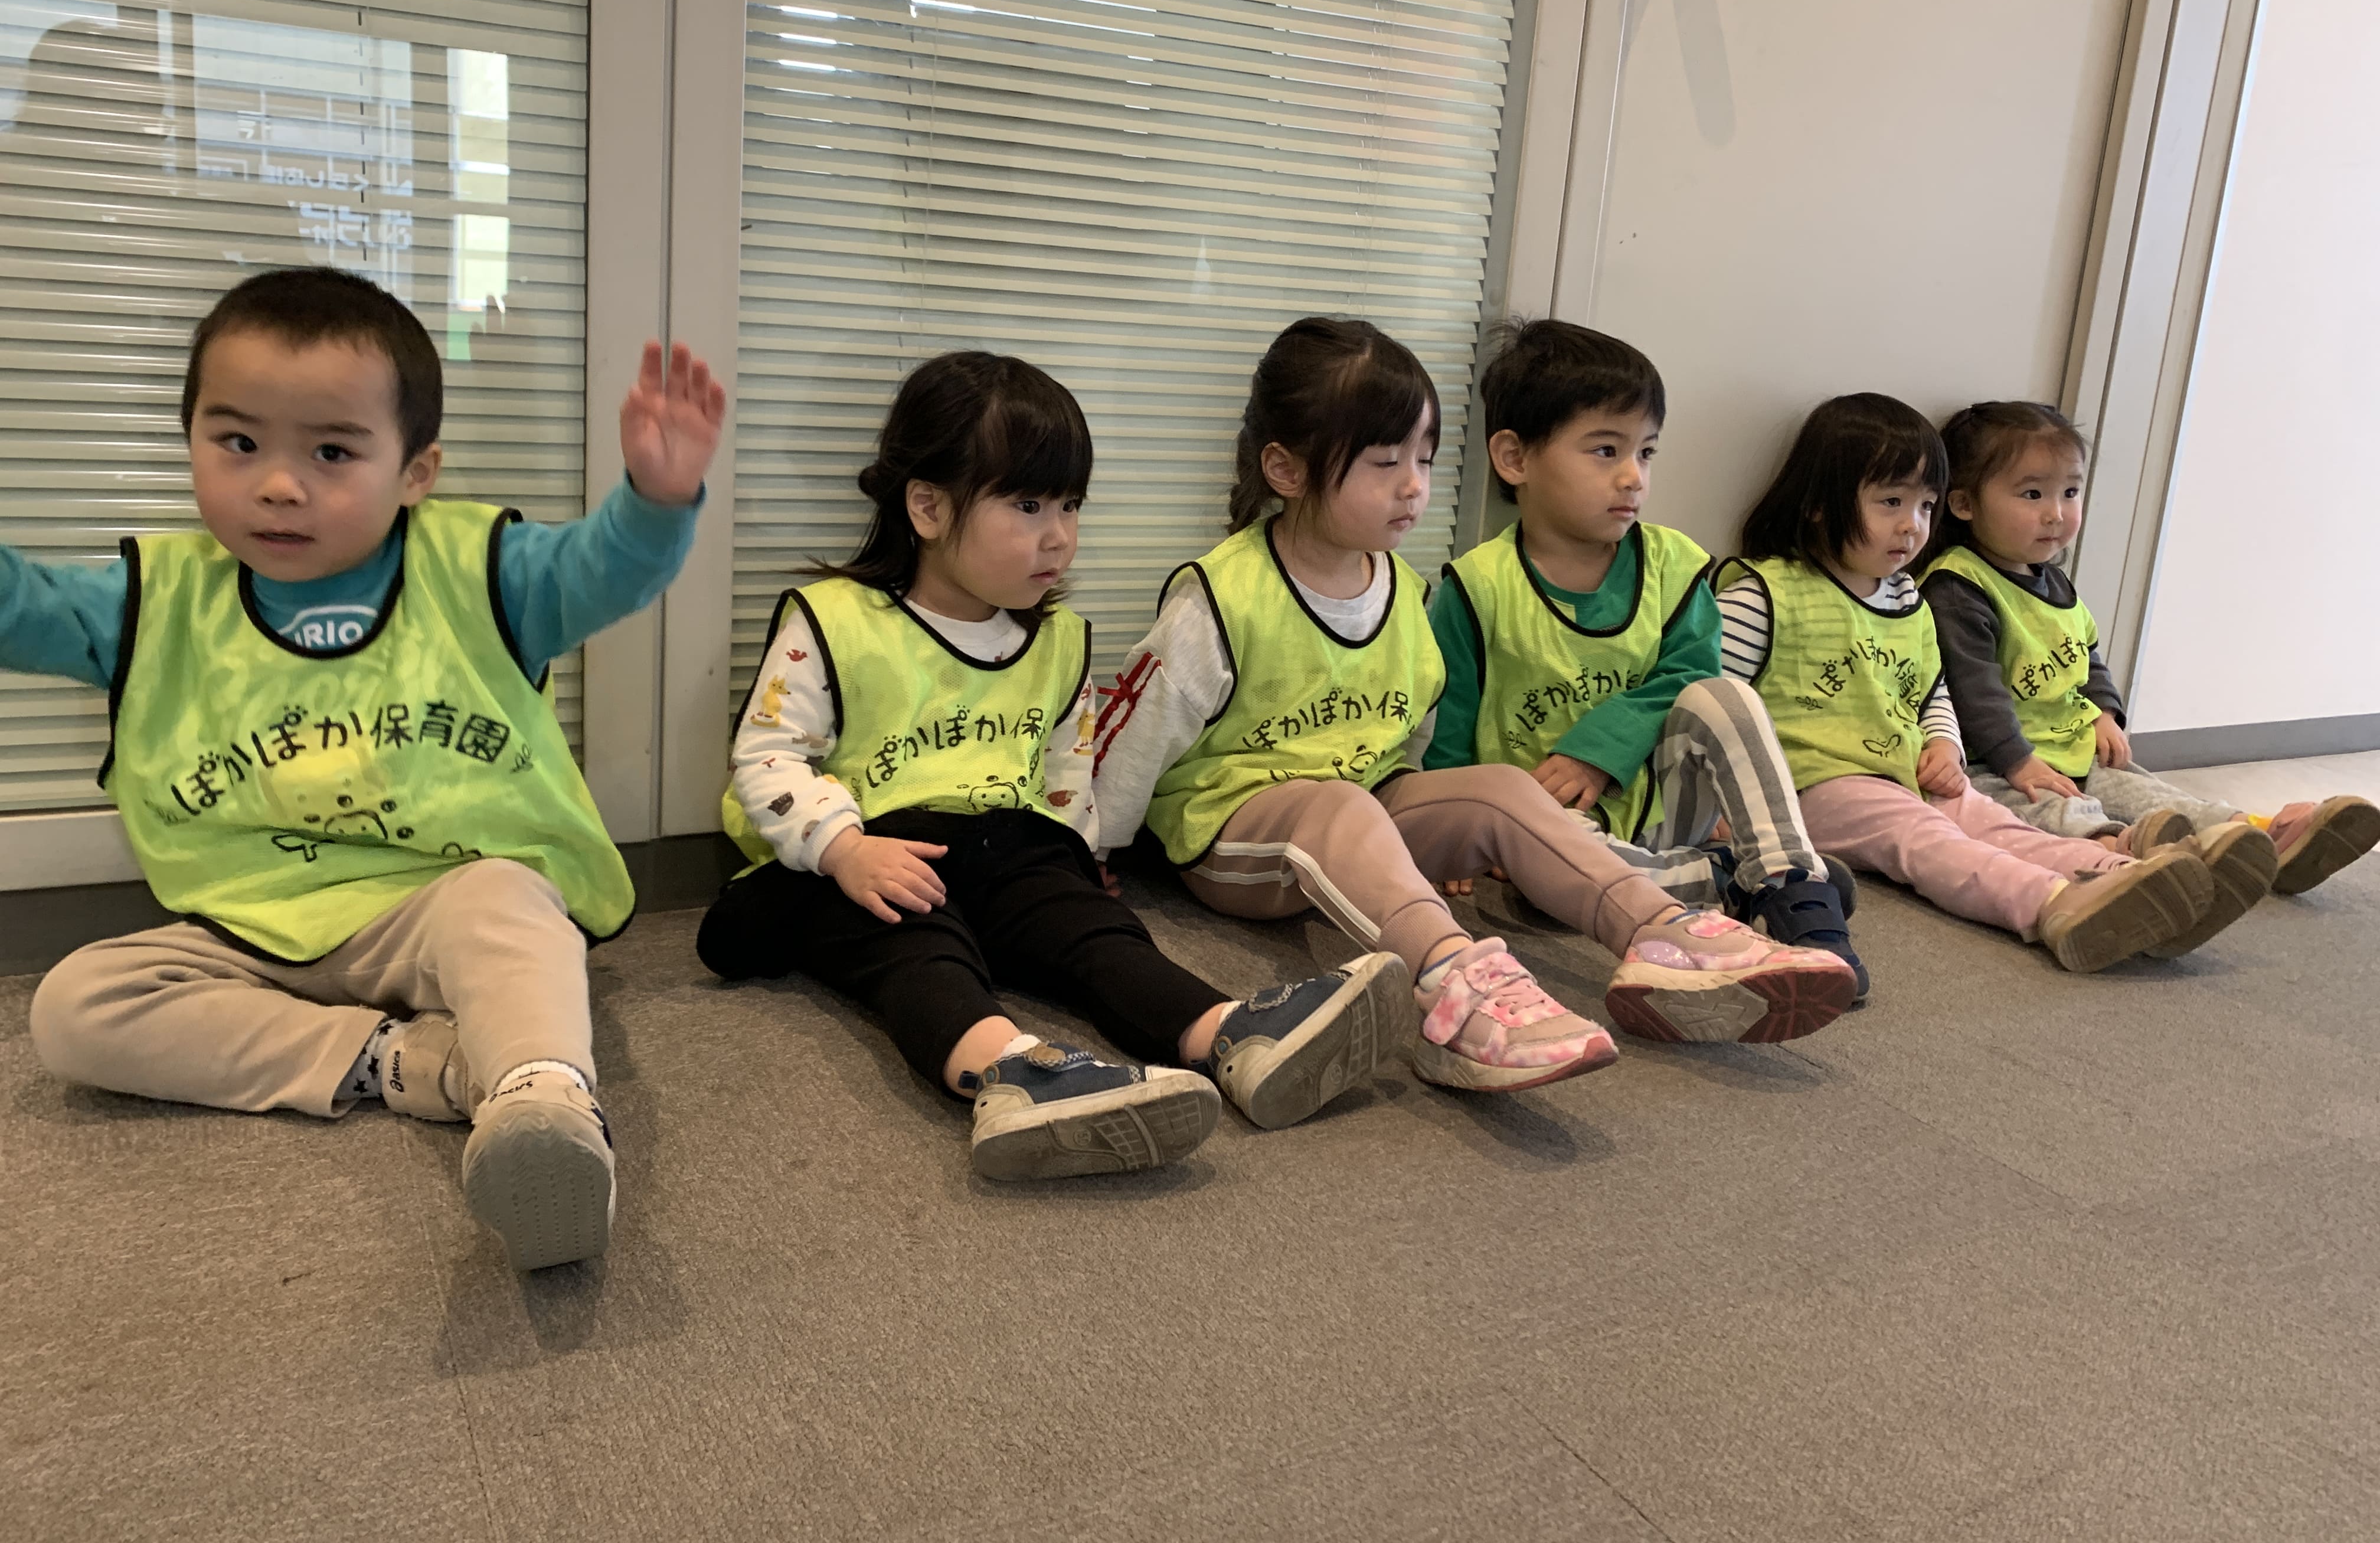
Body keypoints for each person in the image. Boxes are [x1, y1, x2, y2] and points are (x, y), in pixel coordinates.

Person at [18, 266, 724, 1270]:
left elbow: (601, 570)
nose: (278, 483)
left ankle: (543, 1097)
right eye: (238, 442)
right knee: (76, 1006)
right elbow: (21, 608)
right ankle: (419, 1064)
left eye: (332, 451)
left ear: (416, 471)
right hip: (254, 926)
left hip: (438, 901)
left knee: (509, 902)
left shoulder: (480, 569)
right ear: (190, 441)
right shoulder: (151, 599)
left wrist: (656, 501)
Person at [696, 351, 1410, 1181]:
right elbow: (770, 754)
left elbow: (1066, 768)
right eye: (1028, 505)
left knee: (1094, 934)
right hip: (867, 857)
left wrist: (1081, 856)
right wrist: (843, 848)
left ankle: (1228, 1034)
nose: (1060, 535)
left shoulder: (1058, 639)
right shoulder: (834, 620)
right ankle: (1012, 1073)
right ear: (928, 507)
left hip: (1005, 849)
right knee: (918, 949)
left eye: (1071, 505)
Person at [1095, 316, 1845, 1091]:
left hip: (1364, 805)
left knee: (1501, 788)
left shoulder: (1402, 586)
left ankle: (1663, 932)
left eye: (1424, 459)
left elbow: (1417, 727)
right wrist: (1095, 847)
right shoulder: (1221, 596)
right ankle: (1455, 986)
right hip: (1234, 838)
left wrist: (1440, 827)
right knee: (1337, 804)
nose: (1413, 486)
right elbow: (1137, 729)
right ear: (1286, 469)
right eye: (1385, 462)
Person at [1424, 318, 1862, 1027]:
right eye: (1606, 450)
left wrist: (1595, 751)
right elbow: (1451, 728)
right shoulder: (1475, 588)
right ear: (1514, 458)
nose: (1634, 476)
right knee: (1542, 888)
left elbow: (1689, 675)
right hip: (1557, 833)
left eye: (1646, 451)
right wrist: (1459, 837)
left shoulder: (1675, 565)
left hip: (1665, 807)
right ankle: (1727, 881)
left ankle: (1793, 882)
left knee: (1724, 694)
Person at [1716, 393, 2219, 974]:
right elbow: (1709, 703)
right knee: (1929, 839)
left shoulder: (1906, 597)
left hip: (1906, 770)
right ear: (1819, 506)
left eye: (1926, 506)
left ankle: (2114, 872)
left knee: (1988, 819)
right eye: (1891, 502)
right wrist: (1725, 808)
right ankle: (2052, 904)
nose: (1912, 525)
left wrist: (1943, 745)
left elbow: (1931, 691)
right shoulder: (1764, 594)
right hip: (1814, 785)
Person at [1921, 399, 2378, 950]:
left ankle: (2257, 836)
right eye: (2033, 495)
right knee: (2060, 815)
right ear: (1965, 504)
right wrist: (2017, 760)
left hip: (2071, 746)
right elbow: (1973, 691)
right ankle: (2129, 862)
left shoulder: (2052, 581)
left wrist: (2105, 713)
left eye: (2071, 492)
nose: (2057, 514)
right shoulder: (1958, 587)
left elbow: (2087, 656)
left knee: (2150, 792)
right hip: (1997, 763)